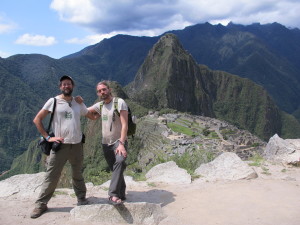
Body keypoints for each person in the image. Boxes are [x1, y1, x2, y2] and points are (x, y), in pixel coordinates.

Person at [30, 75, 91, 219]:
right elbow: (37, 119)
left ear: (72, 86)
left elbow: (90, 115)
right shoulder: (53, 101)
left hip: (76, 145)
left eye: (68, 84)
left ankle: (81, 198)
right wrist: (48, 137)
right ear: (60, 87)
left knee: (77, 174)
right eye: (64, 84)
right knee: (52, 175)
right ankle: (41, 204)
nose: (66, 86)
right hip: (60, 146)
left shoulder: (77, 102)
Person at [84, 81, 128, 205]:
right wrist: (76, 103)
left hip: (118, 142)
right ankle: (121, 193)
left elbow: (125, 125)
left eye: (104, 89)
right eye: (99, 91)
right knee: (115, 168)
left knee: (119, 161)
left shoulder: (119, 103)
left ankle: (112, 195)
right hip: (105, 144)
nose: (102, 92)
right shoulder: (100, 106)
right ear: (98, 93)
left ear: (109, 89)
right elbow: (85, 111)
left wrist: (121, 143)